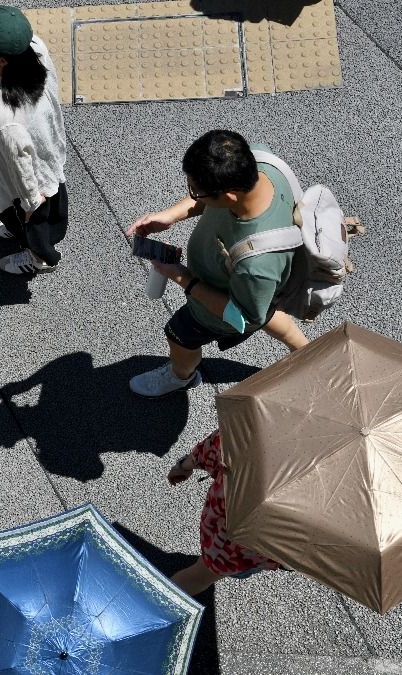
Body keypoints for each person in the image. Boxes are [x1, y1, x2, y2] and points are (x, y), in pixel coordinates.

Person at [126, 130, 309, 398]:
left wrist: (182, 278)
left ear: (230, 195)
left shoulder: (256, 265)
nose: (193, 196)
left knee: (180, 335)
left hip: (216, 304)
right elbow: (256, 308)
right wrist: (171, 215)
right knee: (264, 308)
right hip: (256, 290)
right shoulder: (259, 161)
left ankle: (181, 376)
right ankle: (307, 351)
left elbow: (242, 317)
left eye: (196, 191)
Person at [0, 5, 69, 274]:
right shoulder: (34, 49)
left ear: (3, 59)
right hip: (36, 150)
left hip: (29, 179)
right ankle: (19, 227)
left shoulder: (3, 114)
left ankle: (41, 259)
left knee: (34, 225)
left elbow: (21, 162)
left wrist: (30, 203)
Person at [167, 429, 281, 595]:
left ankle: (153, 609)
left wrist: (184, 465)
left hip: (229, 534)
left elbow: (217, 443)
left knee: (198, 577)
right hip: (265, 546)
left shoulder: (263, 427)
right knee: (210, 573)